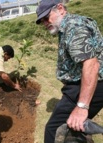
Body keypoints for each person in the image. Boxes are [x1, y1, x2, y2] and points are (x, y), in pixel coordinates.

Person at [36, 0, 103, 142]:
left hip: (87, 83)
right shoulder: (67, 26)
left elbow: (92, 65)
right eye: (42, 21)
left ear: (60, 8)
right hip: (82, 83)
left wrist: (82, 106)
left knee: (53, 129)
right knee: (73, 128)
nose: (45, 23)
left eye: (46, 18)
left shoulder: (74, 27)